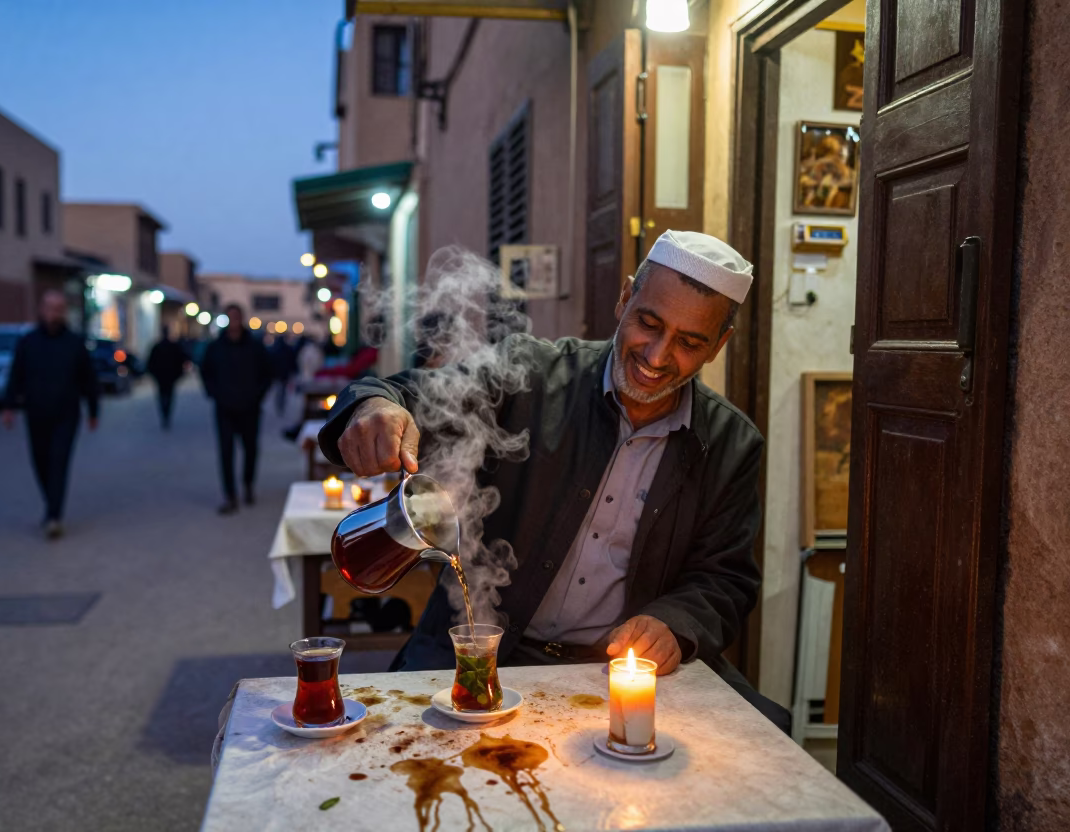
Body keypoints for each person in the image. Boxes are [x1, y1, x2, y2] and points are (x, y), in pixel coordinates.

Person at [319, 230, 791, 732]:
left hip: (612, 675)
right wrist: (376, 406)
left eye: (689, 342)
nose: (656, 356)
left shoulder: (731, 445)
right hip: (488, 655)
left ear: (720, 343)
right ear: (625, 297)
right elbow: (408, 392)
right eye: (648, 324)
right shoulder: (530, 374)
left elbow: (724, 579)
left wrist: (676, 623)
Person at [2, 290, 99, 540]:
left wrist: (93, 411)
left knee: (59, 462)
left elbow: (89, 379)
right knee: (41, 462)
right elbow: (16, 375)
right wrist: (8, 406)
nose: (53, 313)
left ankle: (54, 516)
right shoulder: (28, 342)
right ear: (41, 309)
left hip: (66, 414)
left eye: (58, 308)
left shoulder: (75, 344)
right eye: (49, 307)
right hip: (36, 414)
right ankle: (51, 505)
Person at [202, 303, 272, 513]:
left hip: (250, 408)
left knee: (250, 449)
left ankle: (248, 485)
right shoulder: (216, 346)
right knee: (226, 452)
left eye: (236, 317)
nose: (233, 322)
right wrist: (215, 394)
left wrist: (257, 396)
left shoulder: (255, 345)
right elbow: (206, 373)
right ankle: (230, 495)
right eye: (230, 317)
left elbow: (267, 373)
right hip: (225, 408)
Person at [146, 325, 190, 430]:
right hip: (167, 377)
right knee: (167, 397)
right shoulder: (169, 346)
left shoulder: (159, 346)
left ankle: (165, 416)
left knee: (164, 397)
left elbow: (150, 363)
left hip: (165, 377)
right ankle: (166, 415)